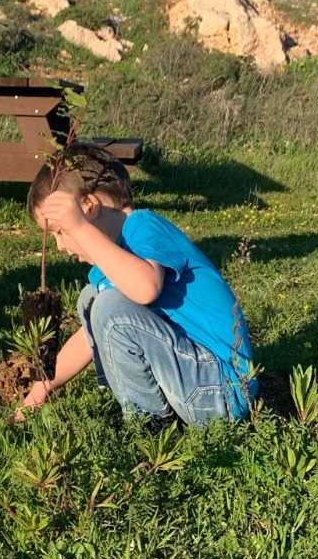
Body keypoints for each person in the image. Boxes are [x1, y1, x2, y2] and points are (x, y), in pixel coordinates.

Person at [18, 142, 256, 426]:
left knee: (108, 307)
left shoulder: (144, 226)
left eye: (61, 232)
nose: (59, 246)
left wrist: (79, 228)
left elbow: (146, 288)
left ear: (89, 208)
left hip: (223, 389)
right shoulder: (118, 256)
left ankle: (148, 427)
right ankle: (142, 407)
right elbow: (86, 338)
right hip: (194, 381)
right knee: (92, 298)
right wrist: (43, 386)